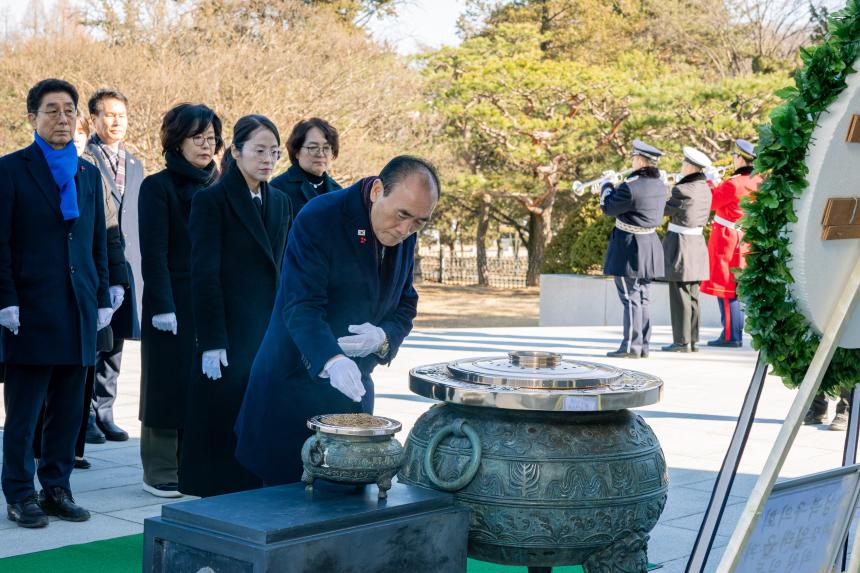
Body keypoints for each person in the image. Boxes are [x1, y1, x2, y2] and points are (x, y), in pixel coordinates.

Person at [235, 155, 439, 486]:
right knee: (287, 506)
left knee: (348, 507)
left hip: (352, 394)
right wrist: (331, 360)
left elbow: (406, 301)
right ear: (376, 191)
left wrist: (383, 337)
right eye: (402, 215)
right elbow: (300, 304)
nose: (406, 230)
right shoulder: (321, 217)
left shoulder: (406, 230)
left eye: (419, 222)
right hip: (294, 383)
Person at [0, 79, 112, 528]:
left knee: (68, 411)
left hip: (78, 308)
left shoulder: (87, 174)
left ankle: (56, 488)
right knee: (25, 412)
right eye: (52, 111)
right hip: (29, 309)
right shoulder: (10, 170)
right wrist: (6, 299)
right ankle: (20, 492)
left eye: (69, 111)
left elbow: (99, 243)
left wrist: (103, 295)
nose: (62, 119)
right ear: (33, 119)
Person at [183, 115, 293, 497]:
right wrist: (212, 341)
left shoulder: (280, 201)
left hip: (266, 331)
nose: (267, 159)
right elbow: (204, 276)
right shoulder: (211, 200)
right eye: (259, 150)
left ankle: (252, 495)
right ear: (235, 151)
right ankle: (214, 499)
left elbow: (281, 270)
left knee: (257, 419)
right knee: (223, 421)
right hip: (228, 330)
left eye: (274, 152)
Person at [32, 111, 128, 471]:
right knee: (39, 383)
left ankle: (69, 454)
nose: (73, 140)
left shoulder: (91, 178)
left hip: (84, 293)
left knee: (79, 380)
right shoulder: (25, 172)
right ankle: (32, 455)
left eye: (79, 137)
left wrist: (115, 283)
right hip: (41, 297)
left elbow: (109, 235)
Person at [138, 104, 222, 498]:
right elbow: (152, 254)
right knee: (166, 380)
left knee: (202, 381)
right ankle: (159, 468)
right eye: (197, 138)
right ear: (177, 140)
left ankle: (193, 462)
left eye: (211, 138)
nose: (207, 146)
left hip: (211, 297)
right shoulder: (157, 187)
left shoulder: (221, 183)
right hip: (170, 297)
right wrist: (162, 306)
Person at [85, 88, 144, 443]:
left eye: (121, 114)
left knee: (116, 343)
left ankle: (106, 411)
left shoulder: (134, 163)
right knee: (94, 341)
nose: (116, 121)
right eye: (108, 114)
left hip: (128, 265)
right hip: (98, 261)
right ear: (93, 119)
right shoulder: (85, 158)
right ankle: (86, 415)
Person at [599, 140, 667, 359]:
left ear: (639, 160)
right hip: (649, 245)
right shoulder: (660, 185)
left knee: (630, 298)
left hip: (630, 246)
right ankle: (643, 345)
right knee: (643, 298)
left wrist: (606, 186)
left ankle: (631, 346)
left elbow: (608, 208)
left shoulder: (631, 187)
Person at [701, 139, 762, 347]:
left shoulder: (734, 183)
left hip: (727, 239)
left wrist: (710, 182)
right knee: (735, 288)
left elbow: (711, 202)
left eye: (736, 156)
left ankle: (730, 335)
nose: (734, 160)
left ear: (742, 159)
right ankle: (732, 333)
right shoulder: (757, 180)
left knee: (726, 289)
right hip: (744, 238)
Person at [661, 147, 713, 353]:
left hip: (681, 245)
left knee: (679, 294)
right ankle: (693, 340)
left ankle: (681, 341)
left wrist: (664, 188)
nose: (681, 167)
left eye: (684, 164)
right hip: (697, 245)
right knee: (692, 294)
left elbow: (665, 209)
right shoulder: (704, 188)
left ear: (690, 167)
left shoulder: (682, 190)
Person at [270, 117, 342, 213]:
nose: (320, 154)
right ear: (297, 152)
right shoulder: (277, 189)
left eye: (326, 147)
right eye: (312, 147)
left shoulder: (338, 191)